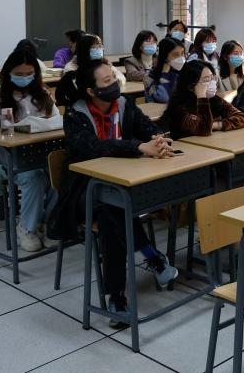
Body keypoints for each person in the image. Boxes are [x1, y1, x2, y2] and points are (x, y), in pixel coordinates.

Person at [56, 61, 179, 327]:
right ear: (91, 91)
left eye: (113, 77)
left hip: (120, 183)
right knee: (111, 207)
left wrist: (157, 140)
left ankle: (133, 279)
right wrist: (138, 147)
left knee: (116, 205)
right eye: (106, 81)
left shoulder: (123, 104)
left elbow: (147, 128)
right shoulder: (75, 115)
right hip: (82, 189)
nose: (113, 83)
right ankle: (128, 283)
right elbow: (93, 147)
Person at [0, 47, 57, 252]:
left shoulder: (43, 94)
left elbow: (55, 122)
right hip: (10, 159)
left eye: (29, 74)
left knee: (61, 174)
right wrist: (14, 132)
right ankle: (27, 228)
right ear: (8, 73)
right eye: (19, 74)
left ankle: (47, 222)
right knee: (34, 178)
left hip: (42, 154)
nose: (24, 78)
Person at [163, 60, 244, 138]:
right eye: (206, 80)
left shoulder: (214, 99)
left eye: (212, 78)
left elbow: (243, 118)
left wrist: (216, 125)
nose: (212, 83)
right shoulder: (179, 109)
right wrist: (201, 96)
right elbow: (205, 130)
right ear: (191, 86)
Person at [57, 34, 126, 107]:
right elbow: (77, 94)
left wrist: (112, 81)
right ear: (85, 50)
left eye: (100, 47)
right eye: (95, 48)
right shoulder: (71, 69)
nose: (99, 50)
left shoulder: (104, 64)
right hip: (87, 105)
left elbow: (121, 77)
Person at [143, 37, 185, 104]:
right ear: (165, 56)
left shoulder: (181, 74)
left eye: (182, 53)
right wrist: (164, 74)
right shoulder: (149, 77)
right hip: (157, 110)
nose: (181, 57)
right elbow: (164, 98)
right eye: (176, 55)